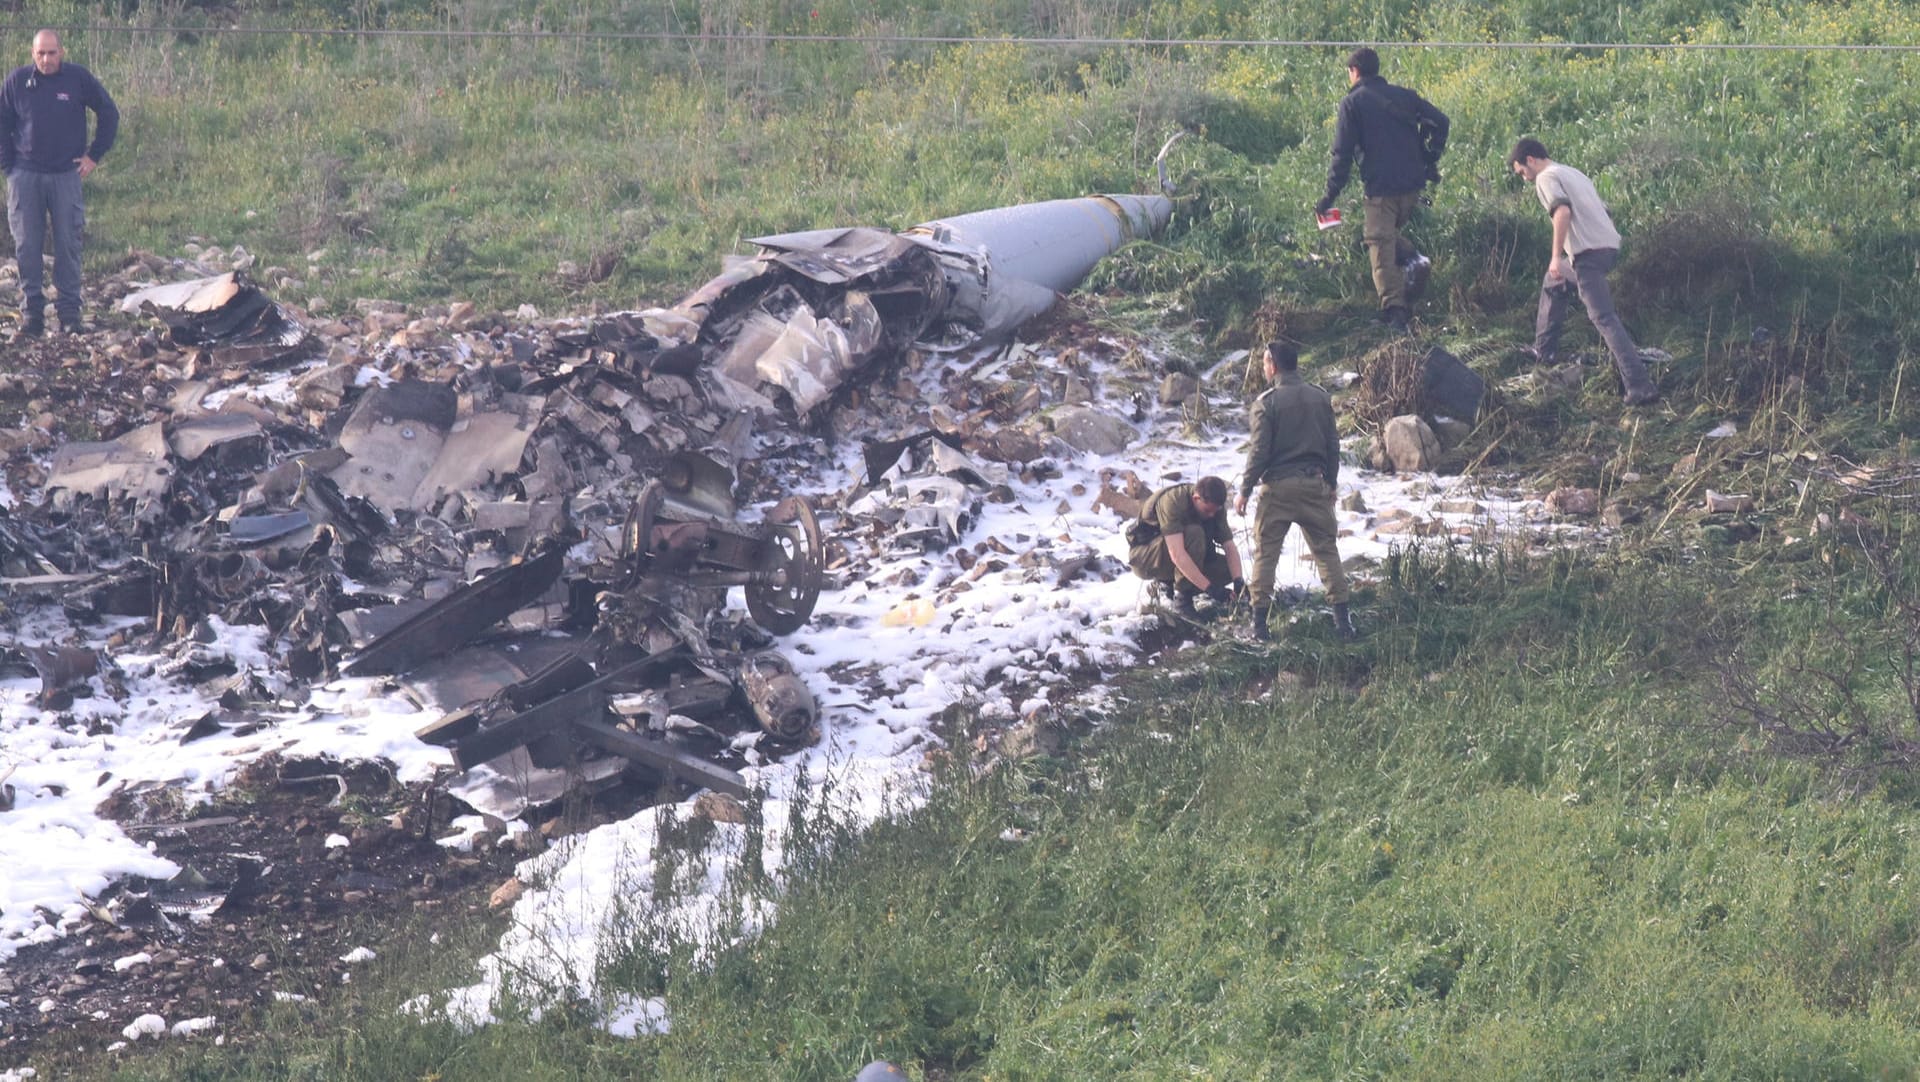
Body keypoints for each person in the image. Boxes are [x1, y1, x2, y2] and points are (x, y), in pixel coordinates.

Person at [1507, 137, 1659, 406]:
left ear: (1530, 160)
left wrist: (1556, 256)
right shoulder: (1573, 173)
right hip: (1608, 248)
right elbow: (1605, 211)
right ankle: (1544, 352)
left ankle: (1640, 385)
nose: (1525, 179)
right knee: (1553, 282)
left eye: (1522, 172)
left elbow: (1562, 212)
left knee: (1603, 318)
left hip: (1588, 256)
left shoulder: (1546, 178)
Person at [1315, 46, 1448, 333]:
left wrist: (1329, 196)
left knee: (1378, 243)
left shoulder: (1352, 104)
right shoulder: (1404, 95)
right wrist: (1430, 157)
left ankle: (1395, 311)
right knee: (1385, 236)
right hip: (1412, 186)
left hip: (1381, 189)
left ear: (1354, 72)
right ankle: (1414, 261)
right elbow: (1442, 121)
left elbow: (1342, 154)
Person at [1, 29, 118, 338]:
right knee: (27, 245)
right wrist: (8, 167)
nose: (46, 59)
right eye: (40, 53)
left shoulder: (77, 79)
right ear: (32, 53)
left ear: (61, 52)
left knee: (68, 244)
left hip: (66, 175)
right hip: (25, 176)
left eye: (52, 53)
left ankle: (69, 314)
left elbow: (109, 112)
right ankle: (33, 315)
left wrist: (93, 156)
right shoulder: (17, 82)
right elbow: (2, 123)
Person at [1235, 343, 1354, 641]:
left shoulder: (1266, 403)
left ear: (1273, 365)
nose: (1263, 368)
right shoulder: (1320, 397)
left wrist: (1245, 490)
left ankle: (1260, 627)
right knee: (1327, 553)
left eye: (1264, 362)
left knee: (1266, 555)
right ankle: (1344, 624)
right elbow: (1332, 446)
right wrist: (1331, 483)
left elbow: (1259, 452)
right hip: (1315, 485)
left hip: (1277, 489)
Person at [1127, 476, 1244, 617]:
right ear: (1196, 498)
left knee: (1227, 569)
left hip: (1178, 557)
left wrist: (1239, 582)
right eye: (1207, 511)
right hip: (1146, 559)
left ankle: (1170, 585)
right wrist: (1210, 588)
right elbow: (1177, 554)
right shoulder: (1173, 501)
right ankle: (1182, 600)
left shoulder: (1215, 508)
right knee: (1195, 533)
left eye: (1215, 511)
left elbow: (1229, 546)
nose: (1211, 515)